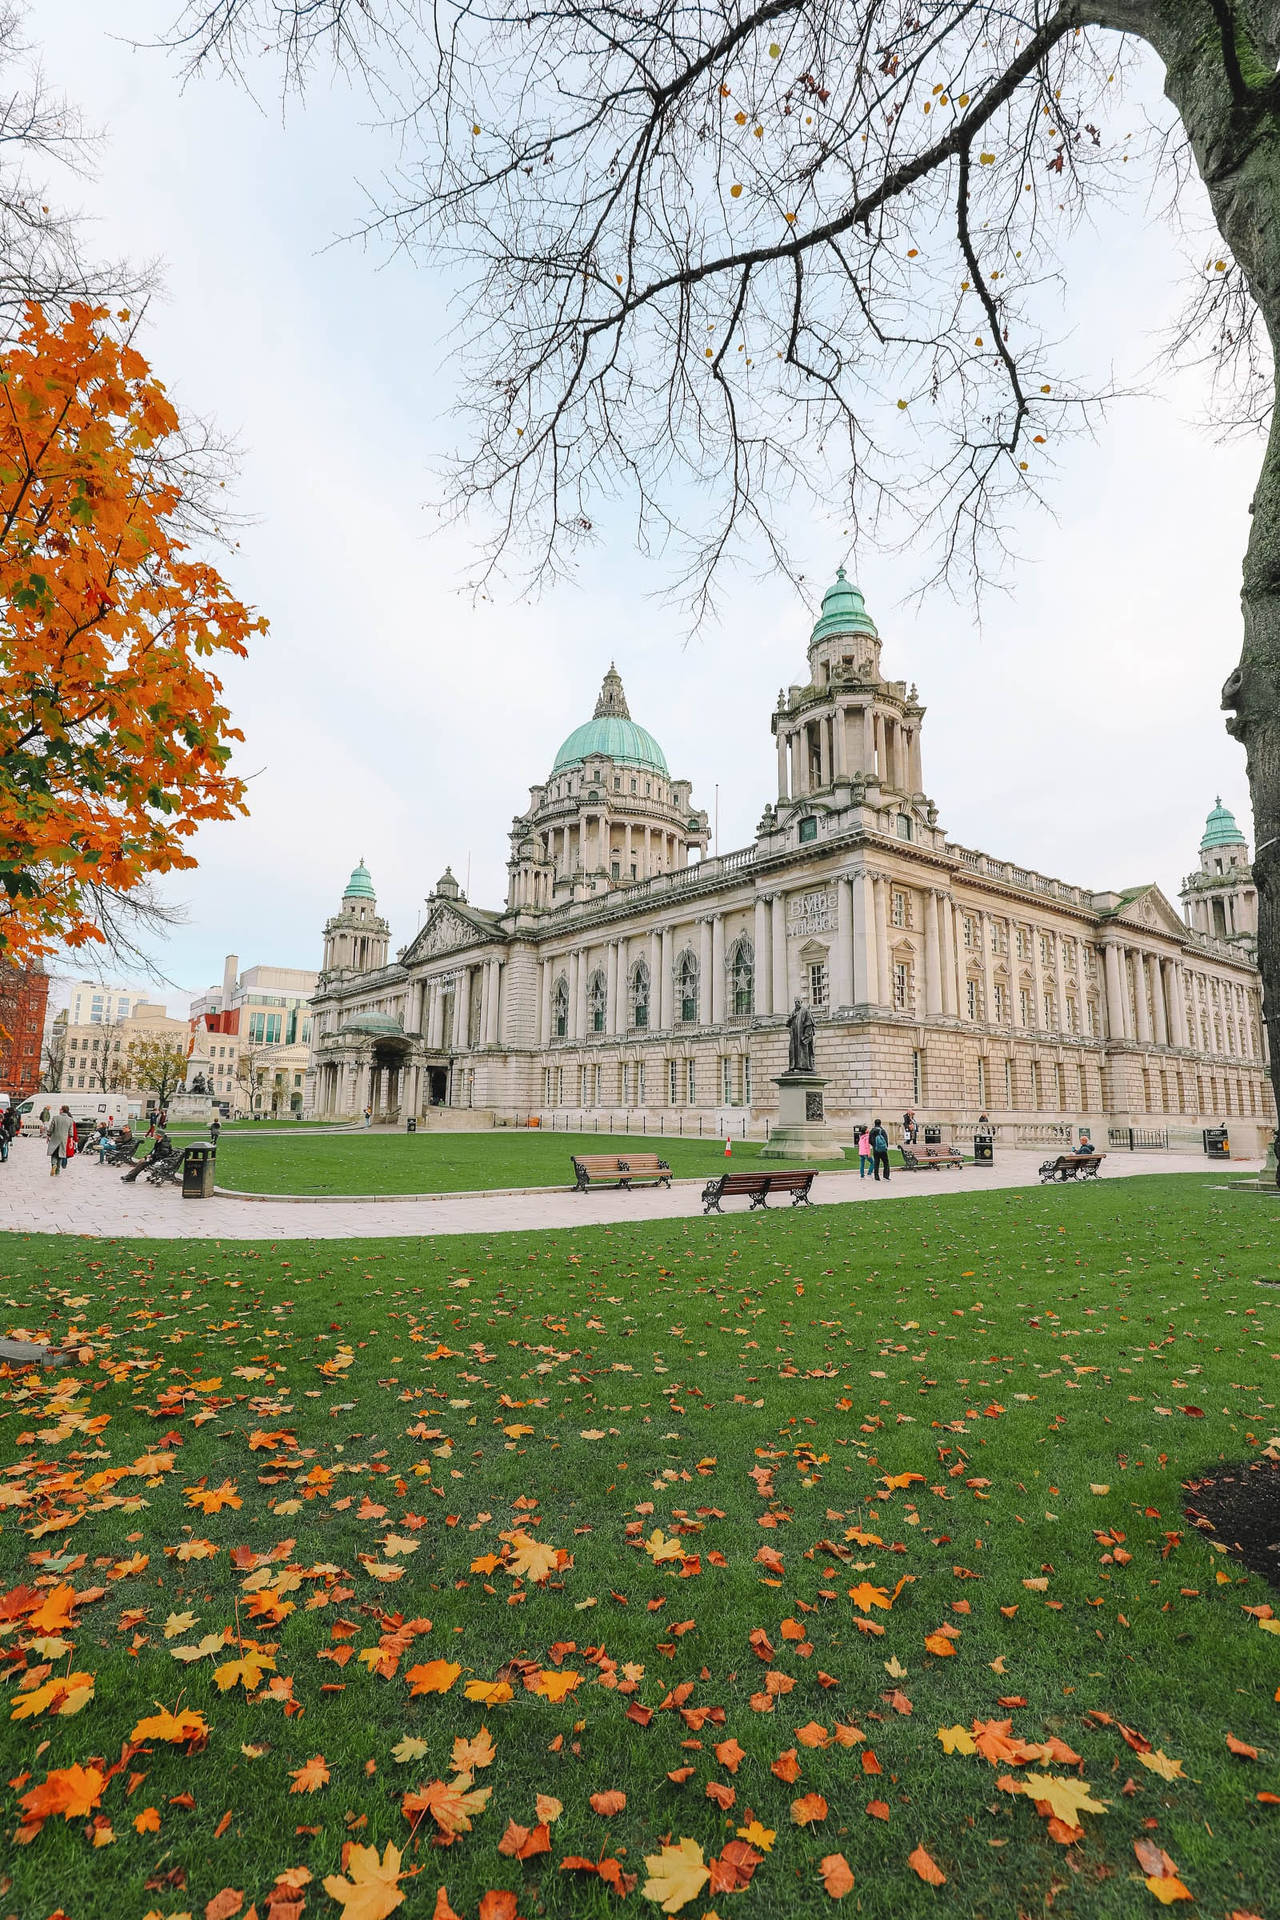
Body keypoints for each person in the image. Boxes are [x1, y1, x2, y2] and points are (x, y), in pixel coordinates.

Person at [46, 1105, 73, 1177]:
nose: (59, 1110)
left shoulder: (55, 1118)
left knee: (54, 1153)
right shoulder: (70, 1119)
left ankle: (54, 1165)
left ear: (62, 1110)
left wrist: (48, 1135)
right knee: (61, 1155)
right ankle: (58, 1171)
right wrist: (70, 1140)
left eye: (60, 1109)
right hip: (64, 1139)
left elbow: (51, 1128)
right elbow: (71, 1132)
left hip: (55, 1137)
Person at [870, 1118, 891, 1183]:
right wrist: (885, 1147)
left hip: (875, 1149)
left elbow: (870, 1140)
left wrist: (874, 1145)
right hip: (883, 1149)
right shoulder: (882, 1130)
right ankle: (886, 1176)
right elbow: (886, 1139)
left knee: (876, 1163)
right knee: (886, 1163)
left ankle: (877, 1177)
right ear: (880, 1123)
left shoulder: (872, 1131)